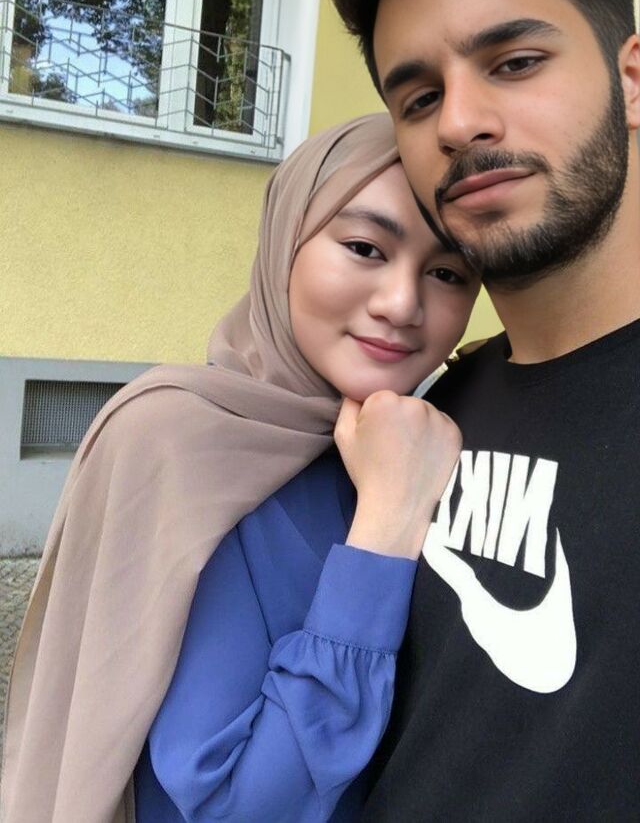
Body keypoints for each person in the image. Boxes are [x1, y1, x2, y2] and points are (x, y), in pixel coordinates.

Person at [1, 114, 479, 823]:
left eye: (447, 273)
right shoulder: (176, 441)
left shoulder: (418, 440)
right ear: (285, 243)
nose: (402, 304)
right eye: (364, 248)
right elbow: (234, 807)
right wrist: (386, 527)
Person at [330, 0, 640, 820]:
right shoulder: (421, 413)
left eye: (514, 62)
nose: (460, 123)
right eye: (418, 98)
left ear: (632, 79)